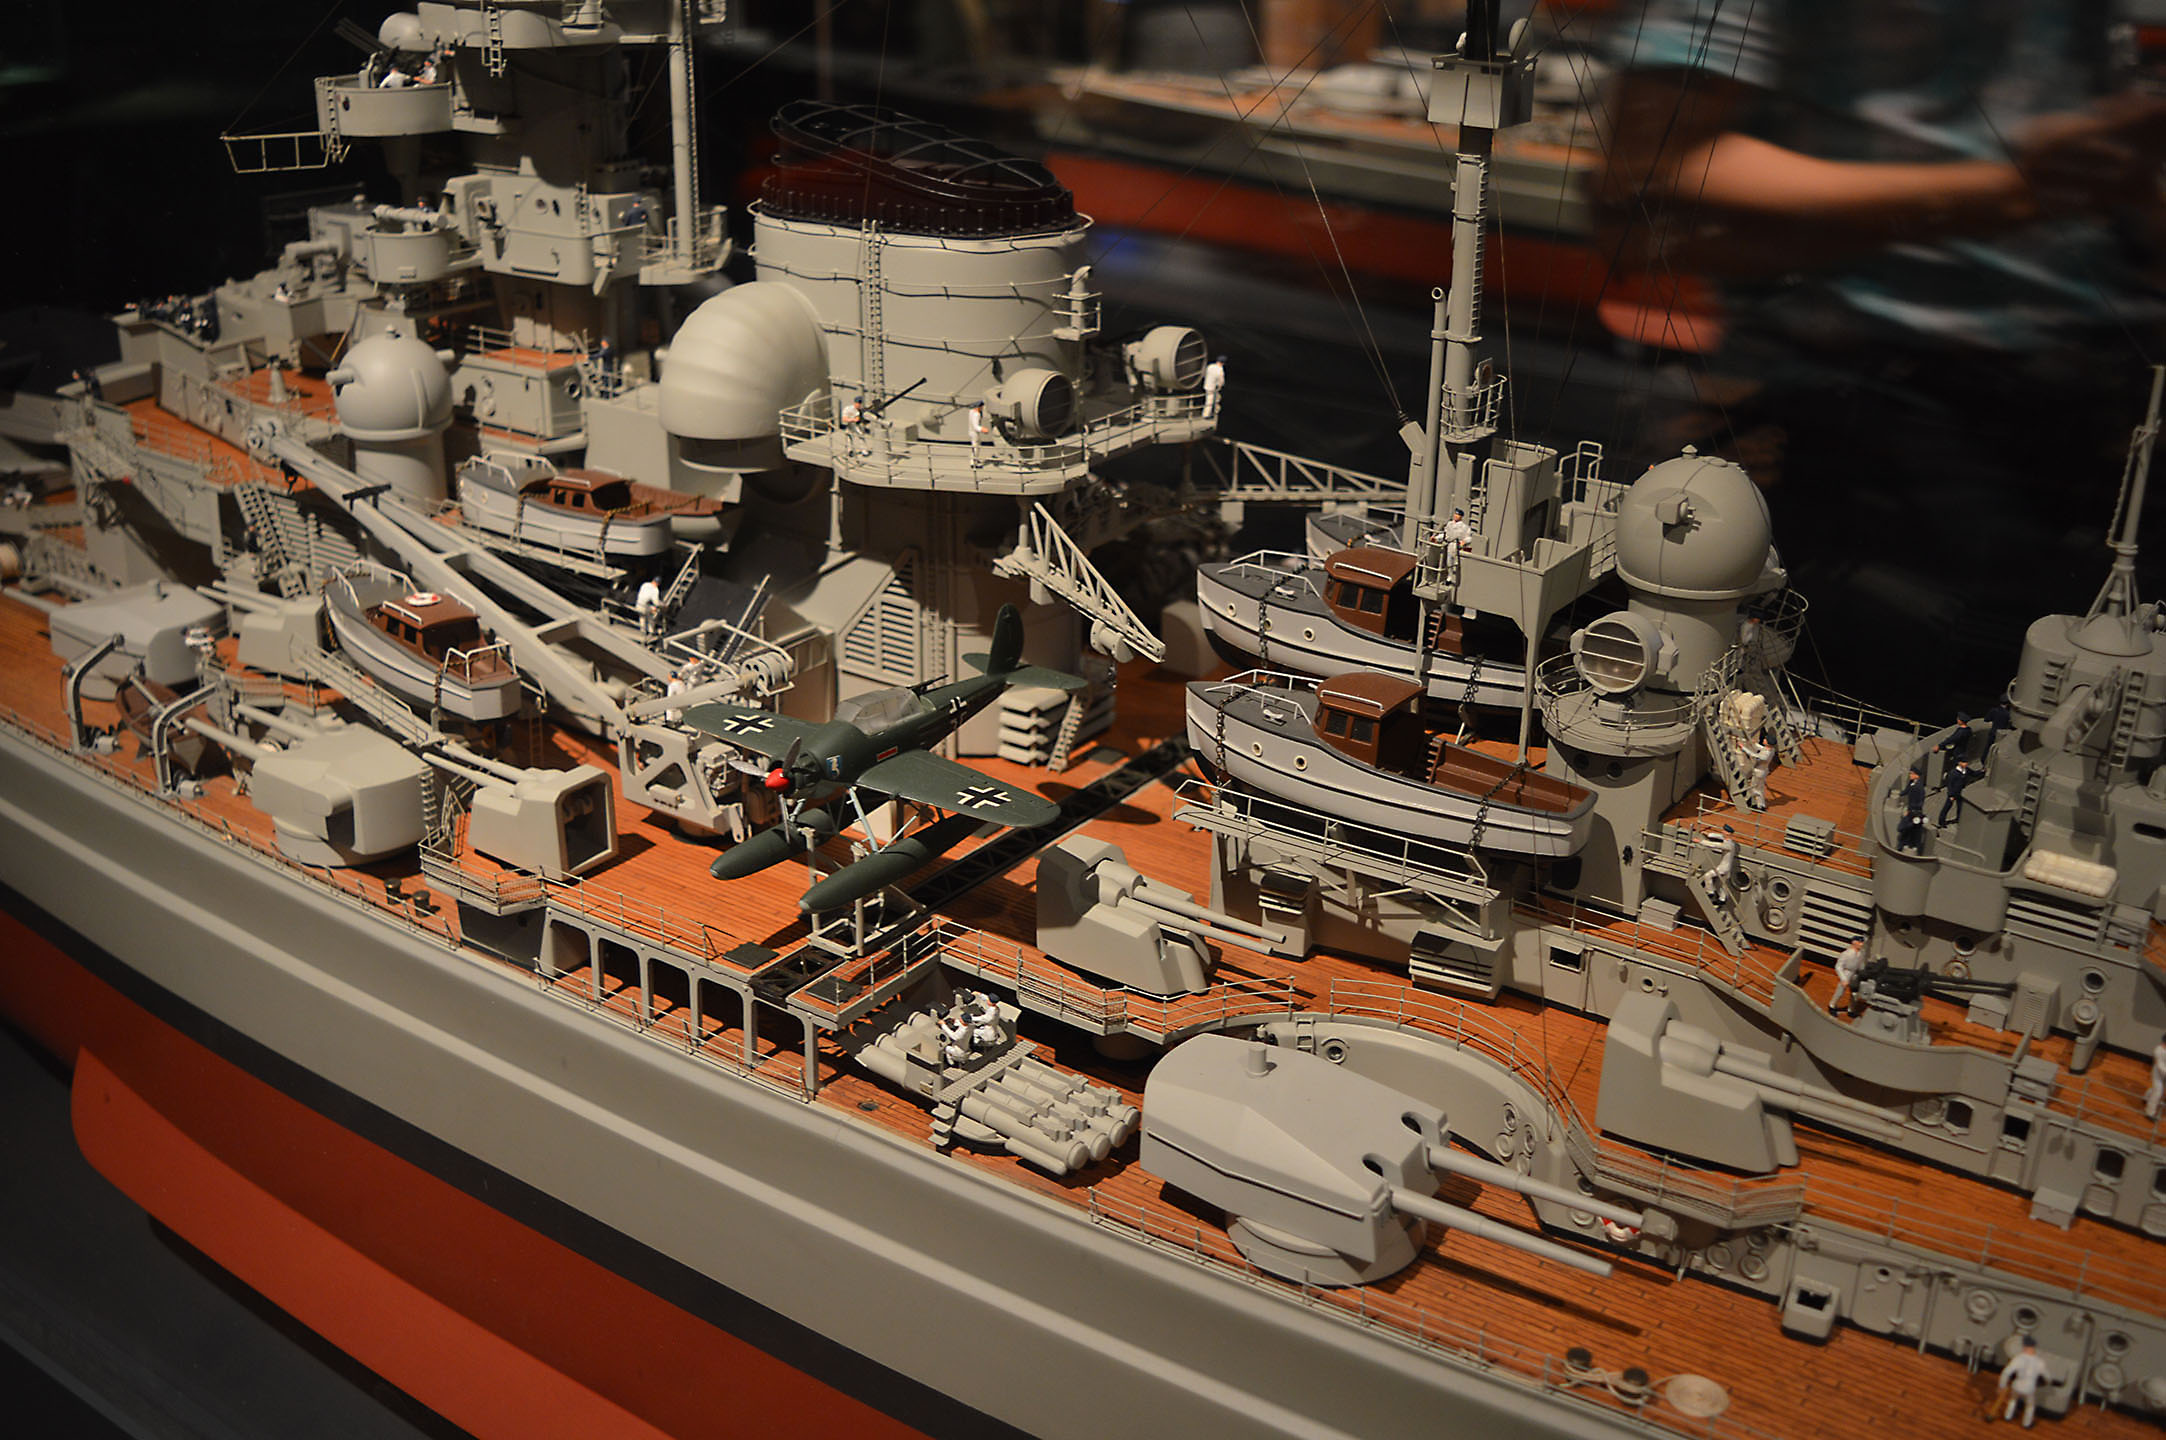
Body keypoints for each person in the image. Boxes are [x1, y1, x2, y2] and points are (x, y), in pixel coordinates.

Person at [1598, 1, 2166, 719]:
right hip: (1874, 394)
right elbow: (1652, 173)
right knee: (1883, 696)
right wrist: (2017, 193)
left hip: (2088, 387)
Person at [1999, 1336, 2051, 1427]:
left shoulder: (2018, 1358)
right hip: (2029, 1388)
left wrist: (2002, 1385)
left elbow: (2006, 1372)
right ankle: (2026, 1423)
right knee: (2030, 1406)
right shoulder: (2039, 1362)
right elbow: (2047, 1376)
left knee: (2013, 1400)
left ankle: (2007, 1416)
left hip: (2017, 1385)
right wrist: (2047, 1382)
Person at [1698, 824, 1740, 900]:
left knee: (1707, 875)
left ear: (1728, 833)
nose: (1722, 831)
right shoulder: (1729, 841)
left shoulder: (1728, 845)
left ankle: (1710, 892)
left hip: (1723, 868)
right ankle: (1722, 899)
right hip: (1726, 867)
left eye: (1724, 831)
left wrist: (1701, 841)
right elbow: (1720, 836)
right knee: (1721, 884)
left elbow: (1715, 845)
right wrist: (1709, 834)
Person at [1829, 937, 1866, 1015]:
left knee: (1854, 993)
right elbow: (1838, 967)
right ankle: (1832, 1005)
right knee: (1840, 991)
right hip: (1846, 973)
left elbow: (1861, 964)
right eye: (1859, 942)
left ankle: (1851, 1009)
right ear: (1854, 942)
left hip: (1855, 974)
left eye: (1862, 942)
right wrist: (1843, 979)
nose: (1861, 944)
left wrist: (1862, 973)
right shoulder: (1846, 954)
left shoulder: (1861, 953)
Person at [1940, 759, 1977, 826]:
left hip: (1960, 792)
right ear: (1959, 763)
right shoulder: (1953, 773)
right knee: (1947, 807)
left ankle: (1958, 819)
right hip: (1954, 792)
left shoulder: (1966, 770)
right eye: (1964, 762)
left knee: (1960, 806)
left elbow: (1974, 773)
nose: (1966, 764)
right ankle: (1941, 821)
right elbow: (1950, 784)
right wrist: (1951, 795)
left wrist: (1982, 771)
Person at [1746, 736, 1774, 810]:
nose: (1764, 740)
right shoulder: (1771, 750)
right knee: (1760, 788)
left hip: (1759, 772)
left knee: (1754, 788)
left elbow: (1754, 755)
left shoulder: (1766, 754)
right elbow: (1762, 748)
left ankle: (1756, 804)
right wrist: (1754, 743)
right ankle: (1761, 805)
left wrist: (1743, 748)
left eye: (1765, 739)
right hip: (1763, 771)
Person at [2145, 1034, 2166, 1122]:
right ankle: (2150, 1112)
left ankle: (2146, 1097)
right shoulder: (2158, 1050)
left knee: (2157, 1089)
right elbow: (2159, 1065)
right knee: (2158, 1091)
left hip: (2164, 1074)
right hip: (2158, 1074)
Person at [1201, 354, 1226, 420]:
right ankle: (1207, 415)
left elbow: (1205, 374)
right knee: (1211, 400)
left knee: (1210, 399)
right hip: (1213, 387)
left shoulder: (1210, 366)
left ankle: (1212, 412)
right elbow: (1221, 380)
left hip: (1207, 385)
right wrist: (1221, 385)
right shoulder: (1220, 369)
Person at [968, 403, 989, 468]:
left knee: (977, 445)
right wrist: (983, 429)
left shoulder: (971, 411)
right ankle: (974, 463)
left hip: (971, 432)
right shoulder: (977, 414)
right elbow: (976, 426)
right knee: (976, 447)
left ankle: (975, 459)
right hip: (975, 433)